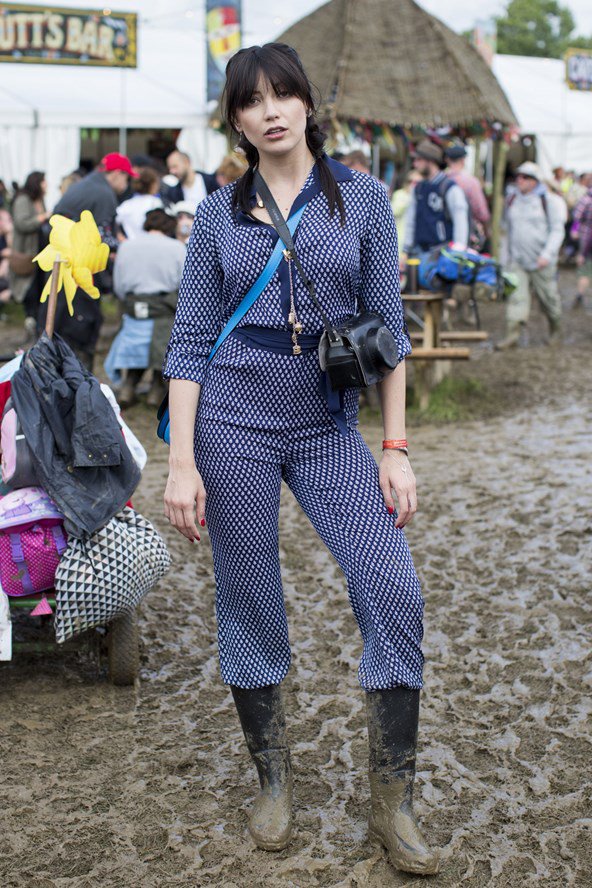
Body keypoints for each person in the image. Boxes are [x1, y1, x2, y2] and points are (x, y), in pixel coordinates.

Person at [162, 42, 439, 877]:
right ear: (237, 119)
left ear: (307, 103)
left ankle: (393, 800)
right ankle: (274, 779)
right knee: (250, 599)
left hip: (325, 426)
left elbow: (388, 333)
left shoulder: (360, 198)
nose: (272, 111)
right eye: (253, 101)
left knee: (391, 582)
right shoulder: (218, 213)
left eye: (285, 94)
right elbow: (186, 346)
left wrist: (394, 448)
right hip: (234, 422)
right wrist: (181, 465)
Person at [105, 208, 186, 408]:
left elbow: (119, 284)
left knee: (134, 341)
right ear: (168, 226)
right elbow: (183, 282)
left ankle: (129, 385)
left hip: (133, 305)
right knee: (163, 342)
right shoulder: (176, 247)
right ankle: (156, 389)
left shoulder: (126, 247)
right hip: (163, 307)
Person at [497, 161, 566, 350]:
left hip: (542, 261)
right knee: (516, 298)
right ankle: (512, 336)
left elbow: (557, 230)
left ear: (535, 181)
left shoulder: (549, 201)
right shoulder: (512, 199)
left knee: (548, 299)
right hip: (518, 261)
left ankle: (555, 330)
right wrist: (506, 258)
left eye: (525, 177)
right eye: (518, 176)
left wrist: (547, 254)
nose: (520, 180)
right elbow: (506, 230)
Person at [401, 139, 469, 269]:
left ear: (430, 161)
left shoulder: (450, 188)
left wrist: (457, 254)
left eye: (418, 160)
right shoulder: (418, 188)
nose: (415, 164)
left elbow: (461, 221)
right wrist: (406, 250)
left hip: (443, 256)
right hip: (418, 254)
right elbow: (411, 221)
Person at [444, 140, 490, 246]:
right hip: (467, 235)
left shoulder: (441, 180)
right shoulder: (470, 182)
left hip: (442, 235)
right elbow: (481, 212)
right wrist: (487, 231)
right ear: (463, 160)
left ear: (447, 160)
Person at [115, 167, 163, 239]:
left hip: (131, 245)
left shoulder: (127, 204)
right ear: (153, 184)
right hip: (151, 245)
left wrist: (122, 239)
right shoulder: (156, 203)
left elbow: (113, 223)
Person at [571, 174, 592, 309]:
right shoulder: (586, 199)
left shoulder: (586, 199)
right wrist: (574, 230)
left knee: (585, 267)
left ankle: (580, 293)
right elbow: (577, 219)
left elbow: (576, 217)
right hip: (586, 238)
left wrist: (574, 230)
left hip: (586, 239)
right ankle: (580, 294)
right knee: (586, 267)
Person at [391, 171, 421, 257]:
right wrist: (411, 197)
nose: (412, 184)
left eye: (416, 182)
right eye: (410, 181)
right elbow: (395, 210)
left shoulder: (422, 196)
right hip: (401, 240)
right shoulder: (400, 194)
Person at [0, 207, 13, 303]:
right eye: (7, 220)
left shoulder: (5, 236)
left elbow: (10, 250)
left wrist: (9, 233)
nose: (10, 223)